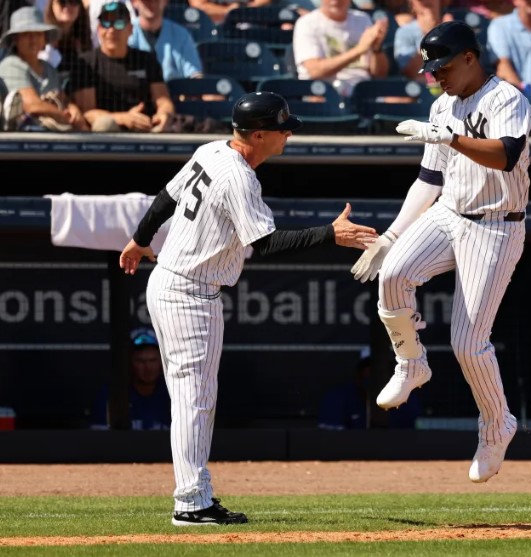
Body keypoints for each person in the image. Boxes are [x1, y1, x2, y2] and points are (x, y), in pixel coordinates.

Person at [118, 90, 378, 526]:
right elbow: (265, 244)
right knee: (194, 400)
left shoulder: (211, 150)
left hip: (174, 283)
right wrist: (330, 234)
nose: (288, 134)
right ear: (258, 134)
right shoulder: (238, 175)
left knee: (194, 399)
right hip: (188, 292)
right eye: (281, 128)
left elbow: (164, 198)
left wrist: (141, 239)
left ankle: (195, 497)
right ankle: (191, 502)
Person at [350, 21, 531, 484]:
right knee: (393, 274)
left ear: (470, 57)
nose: (437, 77)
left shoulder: (506, 98)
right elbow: (429, 182)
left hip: (495, 226)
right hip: (450, 213)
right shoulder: (441, 104)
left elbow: (506, 154)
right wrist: (390, 237)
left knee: (468, 345)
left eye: (444, 67)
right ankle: (412, 363)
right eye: (431, 70)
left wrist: (449, 137)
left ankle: (497, 426)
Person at [69, 1, 175, 132]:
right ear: (98, 29)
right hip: (104, 137)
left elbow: (163, 100)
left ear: (130, 29)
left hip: (146, 129)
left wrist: (164, 114)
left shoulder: (146, 59)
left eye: (119, 23)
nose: (111, 30)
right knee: (104, 125)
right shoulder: (86, 63)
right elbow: (87, 112)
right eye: (106, 23)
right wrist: (124, 118)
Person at [0, 6, 89, 131]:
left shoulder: (48, 68)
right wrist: (65, 116)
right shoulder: (11, 65)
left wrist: (73, 109)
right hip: (24, 141)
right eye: (26, 34)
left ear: (44, 38)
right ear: (16, 39)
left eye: (37, 33)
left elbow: (62, 99)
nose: (33, 39)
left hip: (58, 138)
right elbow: (32, 105)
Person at [292, 0, 390, 98]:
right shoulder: (307, 23)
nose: (335, 1)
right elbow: (314, 71)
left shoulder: (362, 19)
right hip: (323, 91)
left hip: (362, 90)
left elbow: (379, 75)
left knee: (395, 99)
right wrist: (359, 50)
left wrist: (377, 48)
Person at [89, 327, 171, 431]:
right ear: (129, 362)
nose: (147, 367)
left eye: (152, 360)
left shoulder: (173, 394)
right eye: (140, 361)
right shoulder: (111, 395)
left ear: (161, 361)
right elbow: (98, 442)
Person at [317, 349, 422, 430]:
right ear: (358, 373)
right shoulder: (337, 399)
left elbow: (412, 440)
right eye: (369, 366)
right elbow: (330, 443)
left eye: (384, 366)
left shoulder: (406, 399)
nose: (376, 372)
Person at [127, 0, 204, 82]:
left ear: (165, 1)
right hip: (136, 92)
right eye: (146, 1)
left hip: (175, 93)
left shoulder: (181, 34)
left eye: (156, 0)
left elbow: (195, 74)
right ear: (134, 2)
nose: (152, 3)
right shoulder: (125, 33)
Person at [41, 0, 94, 86]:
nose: (67, 6)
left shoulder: (84, 40)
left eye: (73, 1)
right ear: (52, 5)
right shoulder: (42, 38)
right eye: (62, 2)